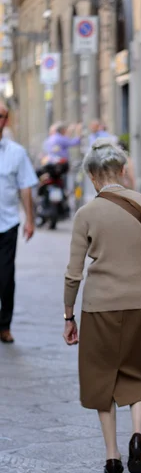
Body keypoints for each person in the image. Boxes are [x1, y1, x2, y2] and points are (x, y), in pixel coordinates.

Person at [63, 138, 141, 473]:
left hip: (100, 305)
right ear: (124, 171)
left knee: (101, 376)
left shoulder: (86, 214)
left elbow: (73, 274)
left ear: (91, 176)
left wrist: (68, 316)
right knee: (136, 370)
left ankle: (113, 456)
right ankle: (137, 435)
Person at [0, 101, 38, 344]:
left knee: (5, 276)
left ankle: (4, 325)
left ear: (7, 120)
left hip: (7, 224)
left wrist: (30, 219)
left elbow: (25, 187)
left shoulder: (16, 152)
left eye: (2, 116)